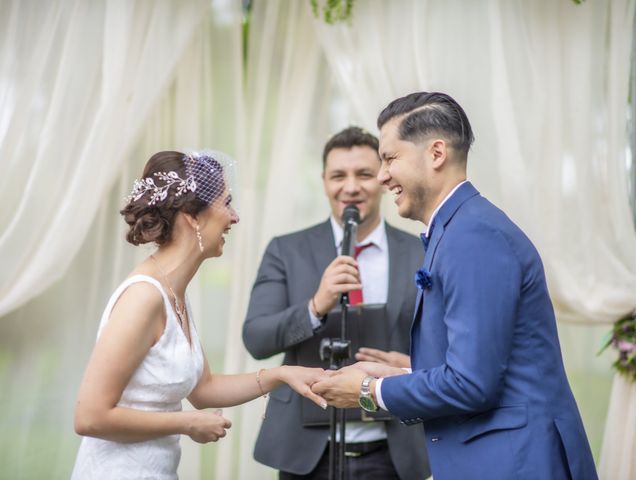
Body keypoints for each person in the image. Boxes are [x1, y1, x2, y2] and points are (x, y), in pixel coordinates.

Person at [312, 93, 599, 480]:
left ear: (435, 154)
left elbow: (472, 384)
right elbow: (488, 361)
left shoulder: (472, 236)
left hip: (514, 462)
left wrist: (369, 391)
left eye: (390, 158)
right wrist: (403, 372)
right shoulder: (457, 229)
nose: (381, 176)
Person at [71, 150, 328, 480]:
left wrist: (281, 377)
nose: (234, 217)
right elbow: (89, 417)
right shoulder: (143, 298)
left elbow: (203, 389)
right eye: (226, 203)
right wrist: (186, 422)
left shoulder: (174, 293)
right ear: (192, 216)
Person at [242, 127, 430, 480]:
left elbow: (450, 344)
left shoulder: (421, 250)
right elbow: (256, 338)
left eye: (363, 174)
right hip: (307, 451)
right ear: (324, 181)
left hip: (394, 450)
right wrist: (316, 305)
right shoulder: (286, 250)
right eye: (338, 176)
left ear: (382, 177)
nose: (351, 187)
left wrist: (414, 365)